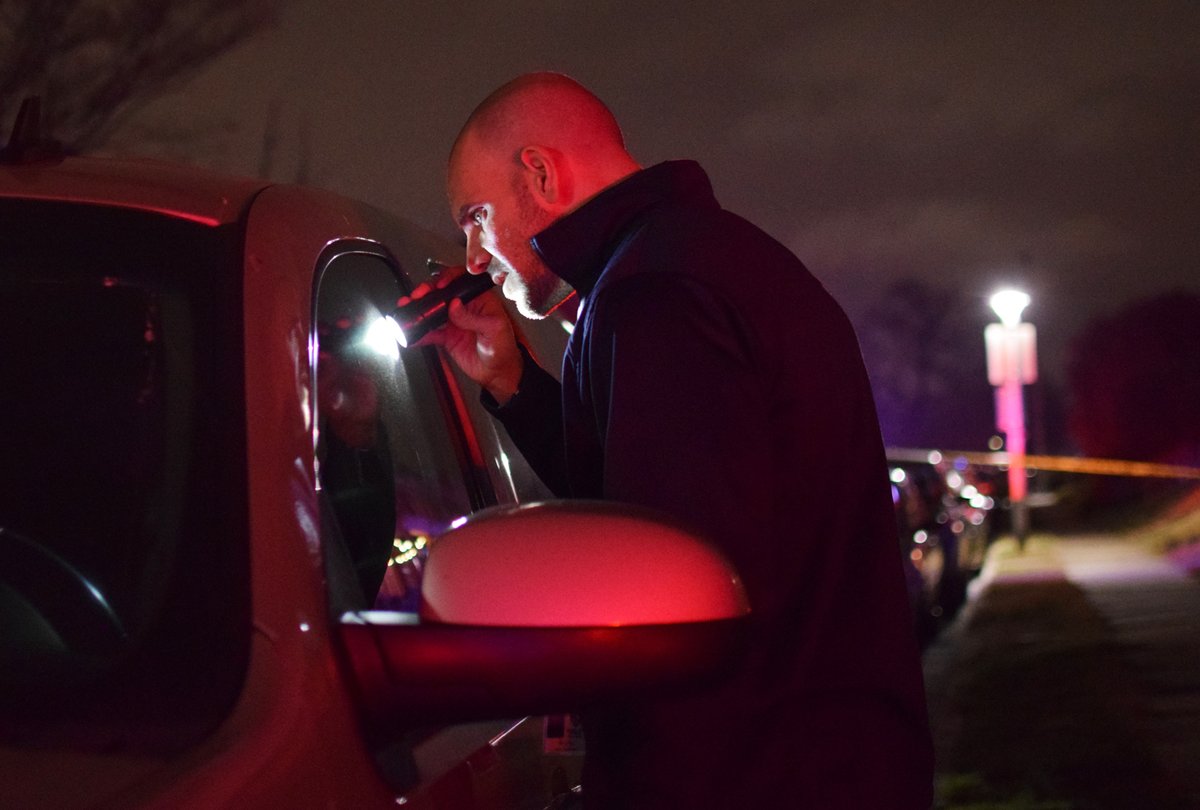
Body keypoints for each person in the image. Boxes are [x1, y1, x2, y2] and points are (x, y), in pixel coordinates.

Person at [421, 72, 934, 809]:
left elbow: (677, 606)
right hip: (824, 764)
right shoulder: (696, 262)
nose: (473, 256)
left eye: (476, 216)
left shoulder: (655, 297)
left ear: (539, 172)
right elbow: (644, 511)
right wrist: (513, 381)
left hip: (758, 781)